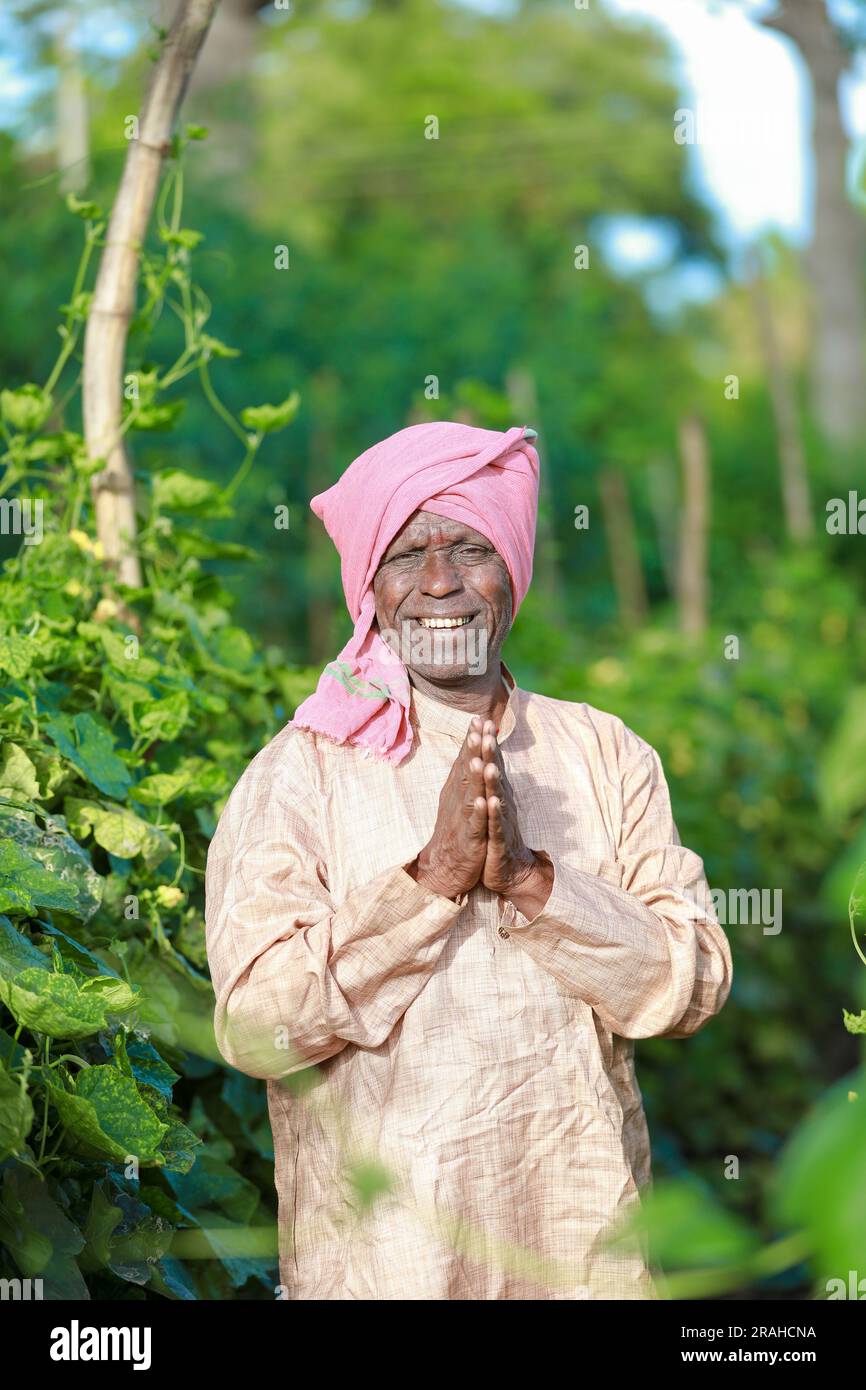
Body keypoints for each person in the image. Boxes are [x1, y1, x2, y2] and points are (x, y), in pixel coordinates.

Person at [204, 420, 733, 1300]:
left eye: (469, 547)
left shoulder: (605, 753)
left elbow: (693, 984)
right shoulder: (301, 772)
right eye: (407, 554)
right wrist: (429, 884)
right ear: (369, 586)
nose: (440, 584)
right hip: (385, 1269)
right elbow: (257, 1027)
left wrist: (532, 881)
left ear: (514, 568)